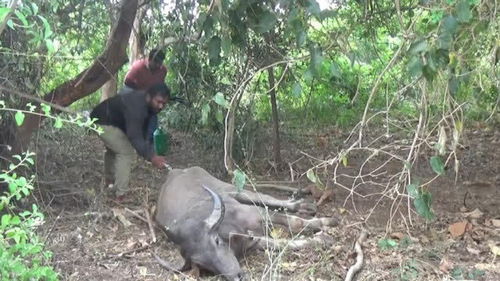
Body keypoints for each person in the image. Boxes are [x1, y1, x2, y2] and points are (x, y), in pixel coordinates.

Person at [90, 83, 170, 202]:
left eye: (164, 103)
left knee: (115, 148)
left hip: (109, 120)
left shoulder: (147, 104)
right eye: (158, 102)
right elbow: (135, 137)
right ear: (149, 97)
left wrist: (150, 150)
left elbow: (142, 132)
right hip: (101, 121)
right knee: (125, 152)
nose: (160, 106)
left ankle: (109, 181)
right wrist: (152, 157)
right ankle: (120, 195)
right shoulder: (136, 106)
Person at [122, 48, 168, 142]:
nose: (159, 66)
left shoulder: (163, 70)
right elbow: (127, 84)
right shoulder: (138, 67)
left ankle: (150, 138)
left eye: (160, 63)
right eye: (156, 63)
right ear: (150, 60)